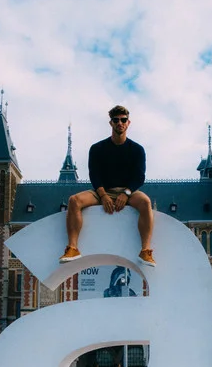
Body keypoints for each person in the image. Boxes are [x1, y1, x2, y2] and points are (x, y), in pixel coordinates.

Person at [60, 105, 155, 267]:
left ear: (128, 123)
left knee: (145, 202)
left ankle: (145, 250)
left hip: (128, 191)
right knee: (74, 200)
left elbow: (139, 177)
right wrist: (103, 195)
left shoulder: (137, 150)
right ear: (110, 123)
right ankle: (73, 248)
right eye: (116, 120)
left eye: (123, 120)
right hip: (102, 191)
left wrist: (125, 193)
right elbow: (94, 175)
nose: (120, 123)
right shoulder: (97, 149)